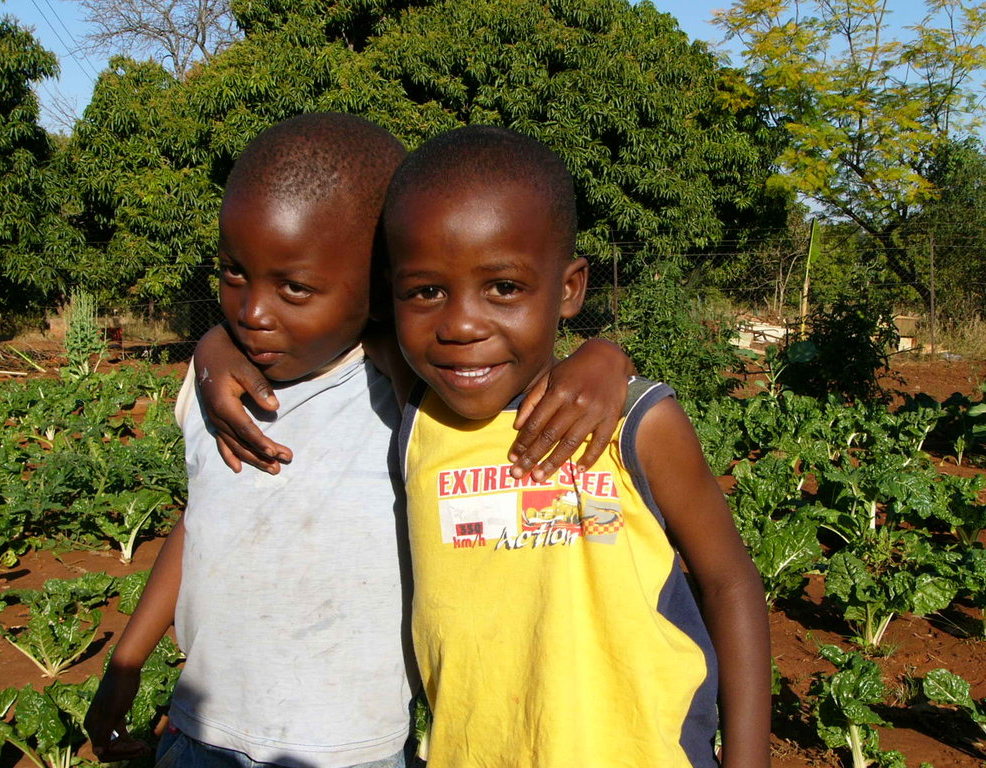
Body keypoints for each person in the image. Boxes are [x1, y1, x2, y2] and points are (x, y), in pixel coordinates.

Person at [84, 113, 634, 767]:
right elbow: (202, 522)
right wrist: (127, 660)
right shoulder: (211, 390)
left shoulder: (400, 390)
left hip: (353, 751)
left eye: (293, 286)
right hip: (203, 735)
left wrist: (606, 354)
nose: (252, 312)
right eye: (234, 274)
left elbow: (503, 364)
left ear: (378, 291)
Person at [384, 126, 771, 767]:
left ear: (569, 289)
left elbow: (729, 581)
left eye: (503, 287)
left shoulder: (637, 423)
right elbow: (304, 313)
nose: (460, 324)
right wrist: (218, 346)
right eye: (426, 291)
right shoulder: (414, 422)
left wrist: (749, 760)